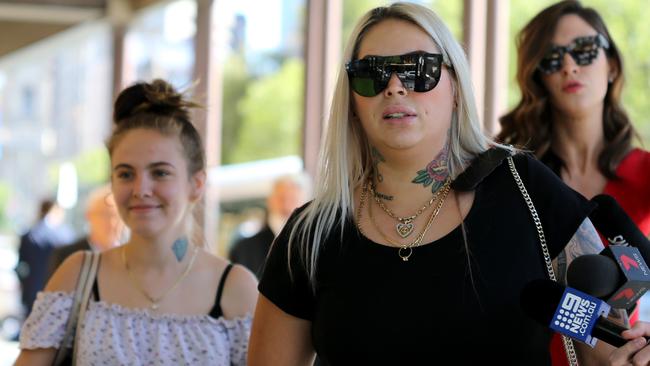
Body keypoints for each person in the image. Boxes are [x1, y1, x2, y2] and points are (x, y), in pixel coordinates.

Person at [248, 3, 650, 365]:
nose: (394, 86)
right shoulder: (310, 234)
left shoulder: (526, 189)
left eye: (418, 69)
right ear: (352, 100)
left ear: (455, 87)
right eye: (371, 74)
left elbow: (605, 345)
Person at [14, 79, 258, 365]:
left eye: (160, 173)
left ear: (196, 184)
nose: (141, 189)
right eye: (126, 174)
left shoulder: (235, 288)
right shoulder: (78, 276)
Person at [498, 1, 650, 364]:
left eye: (583, 50)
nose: (569, 65)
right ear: (539, 77)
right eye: (552, 58)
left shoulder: (646, 175)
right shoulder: (512, 181)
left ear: (611, 64)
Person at [229, 174, 310, 278]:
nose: (286, 206)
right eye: (281, 198)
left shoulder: (313, 247)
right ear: (270, 201)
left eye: (293, 199)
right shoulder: (244, 249)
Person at [46, 184, 125, 279]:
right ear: (89, 216)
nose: (112, 223)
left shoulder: (131, 256)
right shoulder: (67, 256)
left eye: (117, 216)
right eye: (105, 215)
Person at [15, 199, 74, 317]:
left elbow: (21, 266)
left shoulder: (30, 234)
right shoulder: (65, 235)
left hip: (31, 291)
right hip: (58, 295)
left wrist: (24, 285)